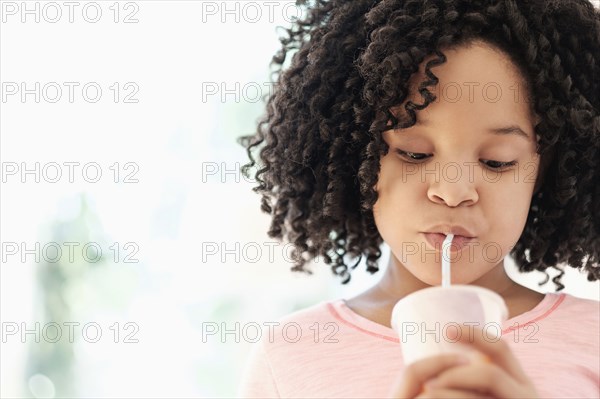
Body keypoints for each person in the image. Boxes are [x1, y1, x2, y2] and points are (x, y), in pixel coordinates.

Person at [236, 0, 600, 397]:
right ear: (355, 158)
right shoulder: (292, 354)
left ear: (546, 171)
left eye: (497, 162)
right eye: (414, 154)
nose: (453, 192)